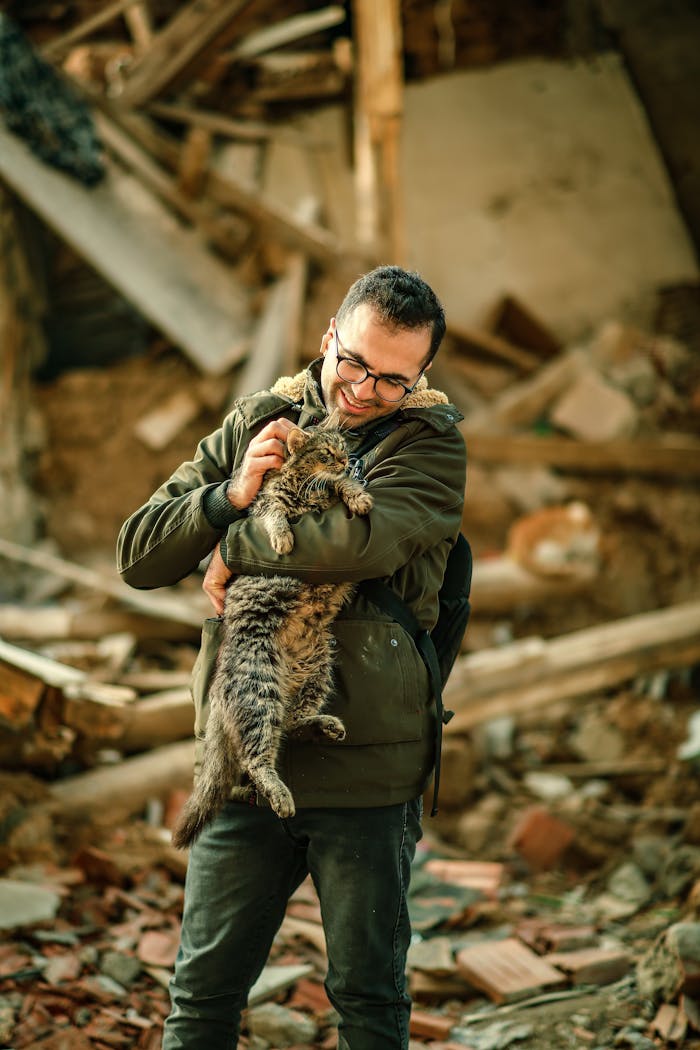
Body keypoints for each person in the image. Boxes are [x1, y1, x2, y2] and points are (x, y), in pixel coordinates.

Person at [117, 265, 467, 1050]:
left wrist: (228, 546)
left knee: (368, 1003)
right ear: (327, 340)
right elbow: (137, 551)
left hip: (365, 771)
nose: (365, 389)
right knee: (201, 999)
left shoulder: (431, 447)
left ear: (421, 377)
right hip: (242, 761)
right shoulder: (260, 419)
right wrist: (227, 497)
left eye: (391, 378)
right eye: (354, 363)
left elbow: (355, 544)